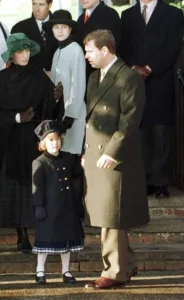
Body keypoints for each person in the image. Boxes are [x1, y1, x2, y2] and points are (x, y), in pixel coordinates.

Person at [83, 30, 149, 289]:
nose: (86, 56)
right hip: (96, 154)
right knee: (108, 213)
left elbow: (130, 121)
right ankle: (127, 264)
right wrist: (86, 151)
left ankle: (114, 272)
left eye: (90, 51)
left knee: (111, 215)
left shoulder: (129, 77)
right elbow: (92, 120)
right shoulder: (94, 77)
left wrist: (111, 152)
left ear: (105, 50)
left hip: (116, 156)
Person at [0, 33, 64, 253]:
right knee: (17, 189)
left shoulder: (38, 76)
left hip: (34, 139)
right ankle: (21, 235)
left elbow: (48, 107)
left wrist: (57, 98)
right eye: (19, 51)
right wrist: (16, 117)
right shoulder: (2, 79)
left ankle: (42, 232)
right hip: (12, 140)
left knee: (37, 184)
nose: (24, 55)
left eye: (26, 51)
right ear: (12, 54)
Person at [120, 0, 184, 198]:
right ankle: (145, 180)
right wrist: (133, 67)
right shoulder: (127, 15)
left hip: (161, 80)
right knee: (139, 131)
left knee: (161, 132)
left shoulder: (173, 14)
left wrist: (150, 68)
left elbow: (173, 46)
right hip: (134, 81)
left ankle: (161, 182)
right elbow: (123, 46)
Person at [32, 120, 84, 285]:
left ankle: (65, 270)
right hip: (50, 209)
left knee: (66, 240)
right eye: (51, 140)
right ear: (43, 143)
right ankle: (40, 270)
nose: (55, 143)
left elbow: (76, 175)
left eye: (57, 139)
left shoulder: (68, 158)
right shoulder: (40, 162)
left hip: (67, 207)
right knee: (45, 240)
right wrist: (39, 206)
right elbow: (37, 186)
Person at [50, 9, 86, 155]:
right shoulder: (57, 52)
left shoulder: (75, 50)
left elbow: (78, 84)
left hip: (73, 114)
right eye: (56, 27)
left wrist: (69, 117)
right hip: (59, 111)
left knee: (72, 154)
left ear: (70, 29)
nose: (60, 31)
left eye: (64, 27)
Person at [77, 0, 121, 80]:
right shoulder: (81, 19)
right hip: (86, 75)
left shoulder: (110, 15)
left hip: (105, 76)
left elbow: (114, 49)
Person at [11, 0, 58, 72]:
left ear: (50, 5)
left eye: (41, 5)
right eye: (34, 4)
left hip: (58, 79)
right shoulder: (18, 28)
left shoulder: (62, 26)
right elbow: (15, 61)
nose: (36, 9)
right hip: (29, 79)